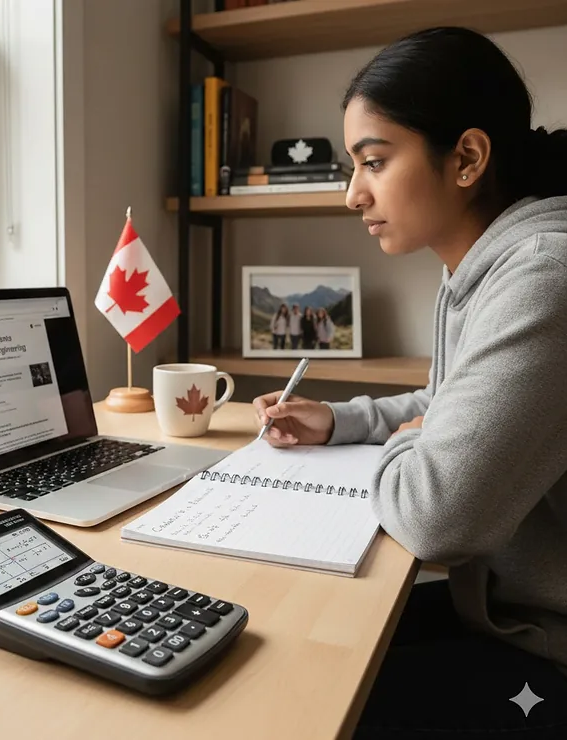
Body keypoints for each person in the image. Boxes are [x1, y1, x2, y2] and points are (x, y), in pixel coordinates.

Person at [253, 26, 567, 738]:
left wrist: (409, 446)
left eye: (373, 162)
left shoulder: (543, 278)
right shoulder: (477, 268)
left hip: (547, 646)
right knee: (286, 644)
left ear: (467, 158)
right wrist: (342, 421)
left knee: (301, 705)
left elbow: (439, 517)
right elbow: (448, 405)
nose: (351, 195)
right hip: (502, 613)